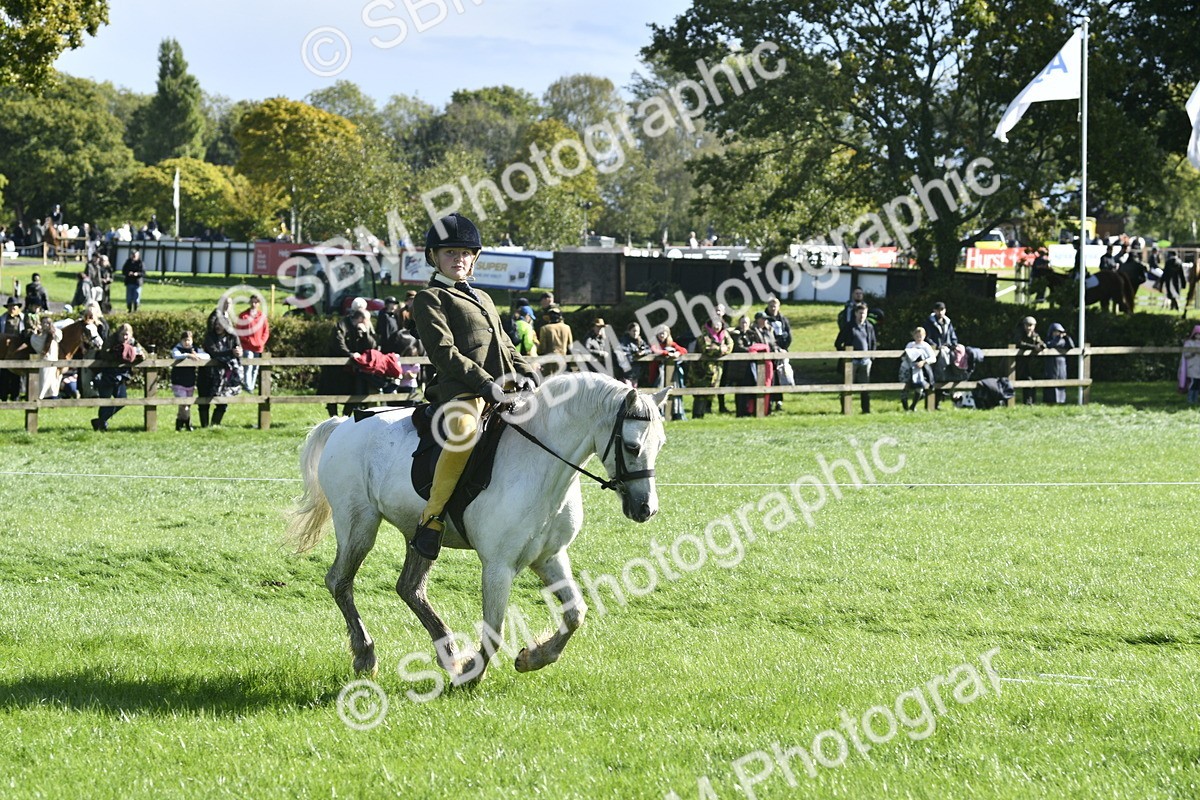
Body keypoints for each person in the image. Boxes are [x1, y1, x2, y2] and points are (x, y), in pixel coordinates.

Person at [409, 212, 539, 560]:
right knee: (466, 431)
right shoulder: (430, 299)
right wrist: (487, 385)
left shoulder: (484, 297)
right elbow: (445, 353)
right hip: (461, 391)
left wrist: (529, 373)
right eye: (450, 252)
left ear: (475, 257)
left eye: (465, 253)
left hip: (503, 390)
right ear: (434, 256)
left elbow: (507, 346)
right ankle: (432, 518)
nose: (459, 259)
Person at [317, 308, 375, 417]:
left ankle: (345, 417)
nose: (369, 323)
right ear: (361, 319)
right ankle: (333, 418)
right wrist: (350, 354)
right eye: (367, 320)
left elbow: (372, 346)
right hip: (335, 368)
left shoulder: (361, 328)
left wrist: (366, 333)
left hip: (350, 369)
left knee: (352, 393)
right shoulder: (341, 326)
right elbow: (338, 344)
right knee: (332, 392)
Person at [197, 304, 243, 428]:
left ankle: (214, 425)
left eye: (221, 323)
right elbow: (214, 352)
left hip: (226, 375)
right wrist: (219, 308)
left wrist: (239, 352)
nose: (218, 326)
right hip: (208, 374)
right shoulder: (209, 337)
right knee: (204, 401)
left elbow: (238, 350)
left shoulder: (232, 337)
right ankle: (204, 426)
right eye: (216, 323)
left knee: (223, 403)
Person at [91, 323, 142, 431]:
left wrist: (137, 355)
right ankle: (102, 425)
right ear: (118, 334)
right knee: (106, 401)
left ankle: (100, 421)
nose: (125, 337)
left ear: (131, 334)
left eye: (127, 335)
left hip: (121, 376)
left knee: (122, 400)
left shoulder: (133, 342)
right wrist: (118, 355)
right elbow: (104, 354)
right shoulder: (111, 340)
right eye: (122, 334)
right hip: (106, 374)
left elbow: (144, 354)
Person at [834, 303, 876, 414]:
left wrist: (871, 357)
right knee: (847, 386)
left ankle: (866, 410)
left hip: (865, 360)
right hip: (851, 361)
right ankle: (845, 410)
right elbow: (838, 342)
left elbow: (873, 343)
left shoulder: (869, 326)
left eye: (864, 313)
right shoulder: (849, 326)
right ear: (855, 313)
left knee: (865, 387)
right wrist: (844, 356)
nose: (862, 315)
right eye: (860, 313)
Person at [691, 311, 733, 418]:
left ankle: (704, 414)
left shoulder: (724, 334)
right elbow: (707, 349)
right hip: (701, 369)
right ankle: (697, 415)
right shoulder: (704, 334)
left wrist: (723, 349)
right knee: (700, 394)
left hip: (716, 370)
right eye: (715, 324)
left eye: (719, 324)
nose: (717, 326)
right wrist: (721, 349)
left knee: (710, 394)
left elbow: (730, 344)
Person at [170, 330, 208, 430]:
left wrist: (197, 356)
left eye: (189, 340)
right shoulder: (177, 348)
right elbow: (175, 355)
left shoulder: (194, 349)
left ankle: (179, 424)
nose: (187, 342)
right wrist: (188, 355)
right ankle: (188, 423)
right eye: (185, 340)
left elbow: (207, 356)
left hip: (190, 381)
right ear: (181, 340)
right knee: (184, 404)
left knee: (186, 405)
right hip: (178, 381)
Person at [649, 325, 689, 421]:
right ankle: (659, 413)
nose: (662, 335)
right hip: (658, 372)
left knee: (673, 389)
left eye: (664, 333)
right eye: (660, 333)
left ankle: (674, 412)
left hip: (671, 373)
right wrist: (667, 353)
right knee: (658, 390)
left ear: (668, 334)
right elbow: (655, 350)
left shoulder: (671, 343)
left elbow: (684, 350)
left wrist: (677, 353)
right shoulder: (655, 343)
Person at [898, 326, 936, 411]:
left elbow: (933, 358)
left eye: (920, 336)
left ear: (924, 336)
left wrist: (923, 362)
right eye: (917, 336)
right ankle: (905, 408)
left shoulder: (926, 346)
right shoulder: (910, 345)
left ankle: (913, 406)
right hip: (907, 368)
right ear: (914, 336)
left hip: (919, 370)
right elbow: (905, 356)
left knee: (920, 388)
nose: (919, 338)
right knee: (904, 386)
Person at [237, 295, 270, 392]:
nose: (253, 304)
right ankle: (248, 387)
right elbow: (239, 331)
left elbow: (266, 331)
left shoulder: (262, 317)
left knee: (256, 367)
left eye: (256, 302)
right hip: (247, 346)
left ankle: (251, 385)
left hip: (259, 347)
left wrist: (262, 341)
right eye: (252, 302)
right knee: (248, 365)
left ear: (259, 304)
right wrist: (247, 340)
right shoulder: (243, 316)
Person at [29, 315, 63, 399]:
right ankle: (40, 398)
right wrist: (36, 333)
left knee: (53, 383)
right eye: (44, 323)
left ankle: (53, 398)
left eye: (48, 323)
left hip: (54, 361)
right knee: (44, 381)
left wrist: (53, 331)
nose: (46, 325)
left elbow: (59, 337)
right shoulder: (40, 336)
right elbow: (35, 343)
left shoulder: (55, 333)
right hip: (45, 361)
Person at [1014, 316, 1045, 406]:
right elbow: (1019, 343)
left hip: (1031, 363)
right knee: (1025, 380)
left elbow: (1040, 342)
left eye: (1031, 325)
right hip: (1018, 362)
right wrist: (1033, 347)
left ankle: (1031, 402)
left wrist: (1042, 345)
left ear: (1034, 326)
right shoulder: (1019, 333)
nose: (1029, 328)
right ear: (1023, 325)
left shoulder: (1035, 335)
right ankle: (1026, 402)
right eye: (1027, 325)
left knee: (1031, 380)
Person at [1042, 322, 1075, 405]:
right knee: (1050, 381)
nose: (1058, 333)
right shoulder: (1049, 340)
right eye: (1056, 331)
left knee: (1061, 380)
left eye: (1059, 332)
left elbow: (1071, 346)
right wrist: (1057, 338)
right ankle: (1049, 400)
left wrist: (1067, 337)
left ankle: (1061, 400)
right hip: (1051, 364)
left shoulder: (1063, 341)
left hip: (1061, 364)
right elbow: (1049, 345)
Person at [537, 304, 573, 373]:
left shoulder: (545, 328)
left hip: (549, 362)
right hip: (563, 359)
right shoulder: (567, 327)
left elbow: (542, 348)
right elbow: (570, 346)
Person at [617, 322, 649, 387]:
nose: (635, 333)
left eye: (637, 331)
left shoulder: (640, 341)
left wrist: (643, 352)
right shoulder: (624, 340)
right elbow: (624, 350)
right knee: (626, 390)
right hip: (625, 373)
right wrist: (635, 352)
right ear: (629, 331)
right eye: (633, 331)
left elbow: (649, 349)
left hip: (636, 373)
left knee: (634, 390)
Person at [1183, 325, 1200, 405]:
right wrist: (1193, 353)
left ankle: (1195, 399)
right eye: (1197, 334)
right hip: (1192, 366)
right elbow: (1186, 354)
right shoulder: (1189, 343)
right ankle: (1190, 399)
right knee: (1193, 382)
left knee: (1198, 384)